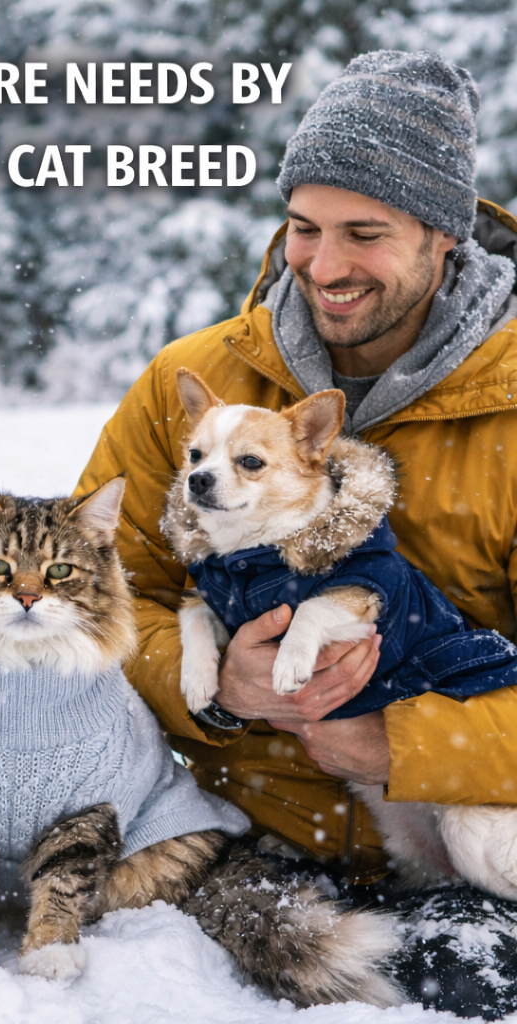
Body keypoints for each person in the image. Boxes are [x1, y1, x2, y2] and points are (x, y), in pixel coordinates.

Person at [76, 50, 517, 1017]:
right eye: (305, 227)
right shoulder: (193, 386)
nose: (323, 265)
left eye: (366, 233)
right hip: (244, 836)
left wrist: (398, 745)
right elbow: (95, 599)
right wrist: (215, 692)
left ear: (444, 236)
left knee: (464, 987)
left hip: (471, 836)